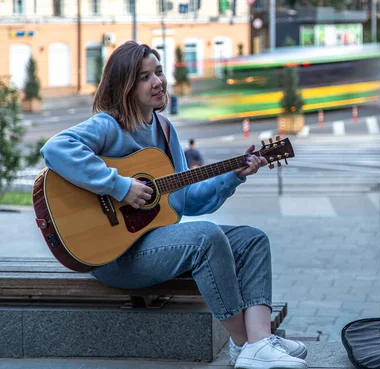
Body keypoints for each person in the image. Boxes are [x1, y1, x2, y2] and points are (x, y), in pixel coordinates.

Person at [39, 41, 308, 369]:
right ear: (124, 84)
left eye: (159, 72)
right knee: (205, 239)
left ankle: (259, 341)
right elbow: (56, 148)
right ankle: (245, 343)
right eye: (145, 77)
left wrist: (232, 177)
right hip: (112, 256)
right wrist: (120, 186)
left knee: (252, 240)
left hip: (152, 245)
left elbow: (184, 200)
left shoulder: (165, 131)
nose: (158, 82)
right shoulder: (109, 126)